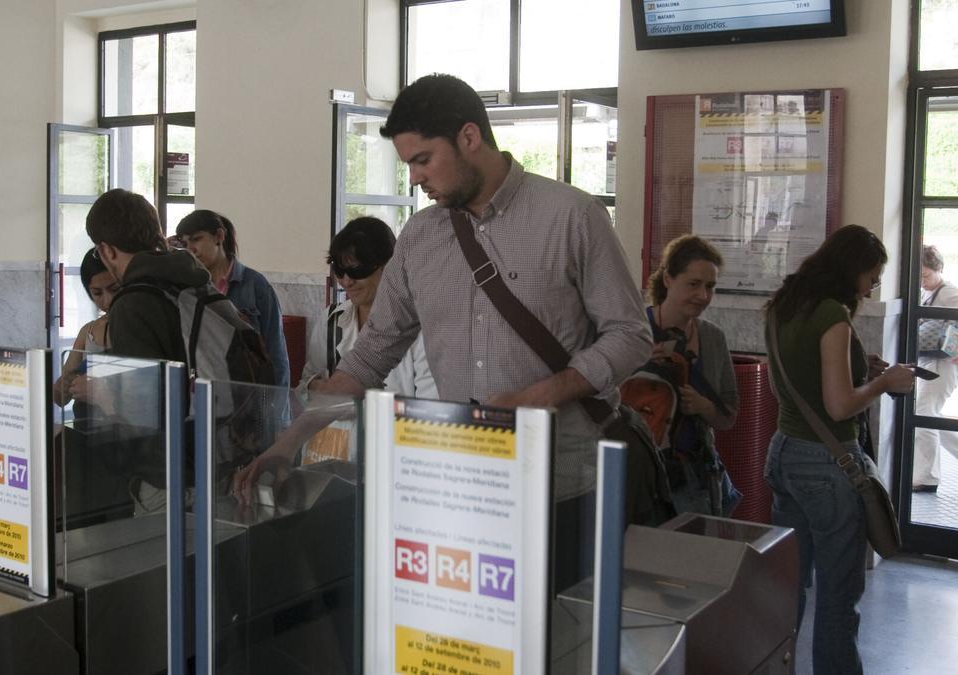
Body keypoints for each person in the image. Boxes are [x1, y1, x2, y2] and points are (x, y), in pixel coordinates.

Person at [235, 74, 651, 503]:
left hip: (567, 479)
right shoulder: (420, 237)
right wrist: (286, 445)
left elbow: (630, 335)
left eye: (423, 160)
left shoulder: (572, 217)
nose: (414, 178)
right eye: (408, 165)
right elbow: (372, 352)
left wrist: (536, 398)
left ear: (469, 137)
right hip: (464, 480)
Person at [763, 224, 915, 673]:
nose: (871, 287)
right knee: (838, 597)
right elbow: (838, 404)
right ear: (851, 270)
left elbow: (795, 381)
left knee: (789, 587)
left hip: (784, 453)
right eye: (871, 276)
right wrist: (885, 383)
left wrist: (861, 369)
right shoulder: (832, 313)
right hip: (826, 467)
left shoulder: (784, 305)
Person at [643, 234, 740, 515]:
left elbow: (728, 415)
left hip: (696, 476)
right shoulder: (634, 332)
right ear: (668, 279)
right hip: (643, 475)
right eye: (694, 284)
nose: (703, 296)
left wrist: (703, 406)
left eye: (710, 287)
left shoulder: (712, 338)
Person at [300, 216, 436, 399]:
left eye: (358, 270)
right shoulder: (332, 320)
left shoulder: (421, 329)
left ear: (389, 266)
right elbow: (306, 385)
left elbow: (431, 406)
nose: (347, 281)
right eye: (340, 271)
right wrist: (318, 388)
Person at [85, 188, 209, 360]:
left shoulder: (131, 304)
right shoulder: (196, 278)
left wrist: (98, 384)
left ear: (107, 251)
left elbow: (141, 384)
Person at [176, 209, 291, 388]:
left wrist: (276, 405)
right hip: (206, 390)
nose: (191, 249)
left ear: (219, 236)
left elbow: (275, 351)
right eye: (185, 243)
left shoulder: (254, 285)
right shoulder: (189, 289)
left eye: (197, 239)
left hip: (248, 389)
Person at [913, 244, 958, 492]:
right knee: (931, 416)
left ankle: (928, 477)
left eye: (926, 275)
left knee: (924, 414)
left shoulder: (950, 293)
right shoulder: (927, 292)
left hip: (944, 364)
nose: (922, 281)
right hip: (931, 362)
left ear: (939, 269)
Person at [53, 248, 119, 406]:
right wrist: (63, 386)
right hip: (85, 427)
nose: (107, 300)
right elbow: (60, 400)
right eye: (97, 293)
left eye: (114, 289)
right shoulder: (88, 332)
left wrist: (101, 394)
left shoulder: (138, 328)